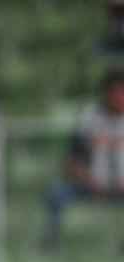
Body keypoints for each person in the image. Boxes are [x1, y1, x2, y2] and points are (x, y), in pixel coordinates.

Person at [44, 69, 124, 248]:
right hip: (91, 184)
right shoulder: (89, 119)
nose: (121, 98)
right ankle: (51, 243)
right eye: (117, 93)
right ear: (107, 94)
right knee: (56, 193)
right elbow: (70, 161)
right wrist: (87, 179)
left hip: (121, 187)